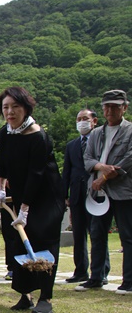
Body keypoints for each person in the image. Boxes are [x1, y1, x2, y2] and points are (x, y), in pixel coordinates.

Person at [0, 86, 65, 313]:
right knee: (18, 241)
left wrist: (24, 210)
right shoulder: (5, 133)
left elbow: (37, 174)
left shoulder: (38, 136)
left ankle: (46, 297)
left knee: (42, 240)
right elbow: (2, 163)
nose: (10, 112)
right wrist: (2, 189)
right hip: (20, 192)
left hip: (45, 195)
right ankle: (25, 295)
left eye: (16, 106)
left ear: (26, 108)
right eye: (6, 107)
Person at [76, 90, 132, 295]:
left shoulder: (130, 130)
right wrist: (101, 167)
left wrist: (105, 176)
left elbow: (128, 159)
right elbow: (87, 158)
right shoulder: (97, 133)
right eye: (107, 106)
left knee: (127, 235)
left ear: (124, 107)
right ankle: (96, 277)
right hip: (98, 192)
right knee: (97, 234)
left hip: (123, 190)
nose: (110, 110)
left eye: (115, 106)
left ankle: (129, 281)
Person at [62, 109, 99, 283]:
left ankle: (99, 272)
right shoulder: (71, 145)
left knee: (97, 233)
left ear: (94, 121)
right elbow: (67, 173)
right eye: (79, 119)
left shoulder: (100, 140)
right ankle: (80, 271)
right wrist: (64, 195)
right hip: (76, 195)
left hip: (96, 193)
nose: (81, 122)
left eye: (85, 118)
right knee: (78, 234)